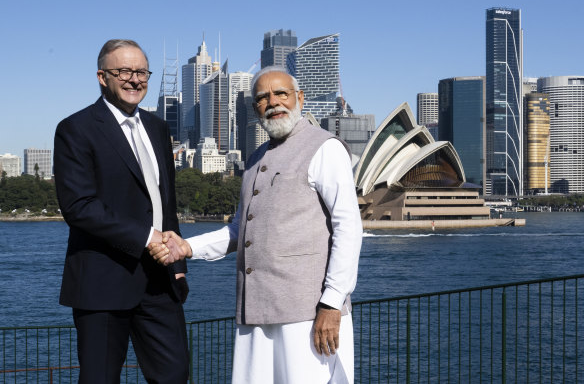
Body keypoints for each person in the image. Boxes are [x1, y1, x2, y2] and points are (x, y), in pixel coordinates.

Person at [150, 66, 362, 384]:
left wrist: (331, 303)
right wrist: (187, 247)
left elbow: (348, 227)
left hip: (306, 313)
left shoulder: (325, 148)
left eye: (281, 93)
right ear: (254, 109)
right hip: (254, 312)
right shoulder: (254, 159)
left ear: (300, 99)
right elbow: (240, 230)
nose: (273, 102)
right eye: (263, 97)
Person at [54, 39, 189, 383]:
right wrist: (148, 238)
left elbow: (166, 203)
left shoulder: (159, 128)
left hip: (161, 280)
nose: (135, 79)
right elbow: (79, 207)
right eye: (124, 71)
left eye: (141, 71)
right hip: (103, 282)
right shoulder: (75, 129)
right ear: (103, 77)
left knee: (174, 376)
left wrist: (178, 265)